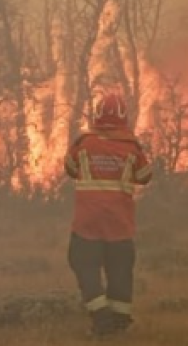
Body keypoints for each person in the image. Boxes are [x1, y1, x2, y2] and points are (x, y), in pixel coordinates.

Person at [64, 91, 153, 337]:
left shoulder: (84, 142)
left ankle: (101, 316)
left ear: (98, 115)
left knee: (82, 263)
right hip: (119, 225)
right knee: (120, 271)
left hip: (87, 224)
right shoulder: (131, 147)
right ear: (124, 117)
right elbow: (145, 176)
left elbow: (70, 168)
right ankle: (120, 323)